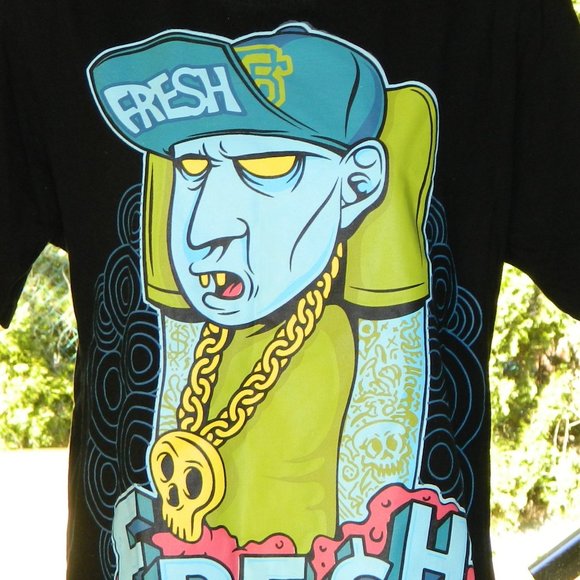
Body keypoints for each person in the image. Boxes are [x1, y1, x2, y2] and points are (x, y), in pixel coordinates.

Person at [1, 1, 578, 579]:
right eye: (193, 168)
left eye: (269, 165)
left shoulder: (498, 18)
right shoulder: (47, 18)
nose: (203, 231)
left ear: (359, 183)